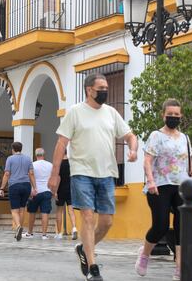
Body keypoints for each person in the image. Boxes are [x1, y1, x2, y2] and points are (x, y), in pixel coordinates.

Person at [48, 73, 138, 281]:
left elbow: (130, 135)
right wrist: (55, 175)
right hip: (81, 173)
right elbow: (61, 143)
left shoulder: (111, 113)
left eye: (107, 88)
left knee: (106, 222)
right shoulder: (75, 113)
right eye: (101, 88)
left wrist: (133, 150)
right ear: (89, 90)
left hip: (106, 173)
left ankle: (83, 248)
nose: (105, 91)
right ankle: (92, 267)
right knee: (87, 218)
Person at [135, 98, 192, 281]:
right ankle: (144, 254)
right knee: (160, 226)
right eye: (170, 114)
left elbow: (190, 164)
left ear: (181, 116)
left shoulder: (185, 138)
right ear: (163, 115)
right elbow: (147, 161)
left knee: (181, 229)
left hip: (182, 188)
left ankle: (179, 268)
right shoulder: (156, 136)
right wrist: (151, 181)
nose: (173, 117)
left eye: (176, 115)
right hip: (160, 186)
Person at [0, 142, 37, 241]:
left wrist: (2, 188)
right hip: (26, 185)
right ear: (21, 149)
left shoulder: (10, 159)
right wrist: (34, 187)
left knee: (14, 210)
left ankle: (18, 227)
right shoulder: (28, 159)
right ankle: (19, 230)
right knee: (22, 209)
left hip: (14, 186)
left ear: (13, 149)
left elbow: (7, 174)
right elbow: (31, 173)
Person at [24, 148, 53, 240]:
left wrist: (31, 190)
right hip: (47, 191)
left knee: (32, 212)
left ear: (36, 155)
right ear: (44, 155)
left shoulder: (32, 165)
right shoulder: (50, 165)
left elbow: (29, 177)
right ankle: (44, 234)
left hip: (35, 191)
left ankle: (30, 233)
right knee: (45, 213)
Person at [54, 150, 78, 240]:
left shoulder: (58, 164)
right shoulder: (71, 163)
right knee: (71, 210)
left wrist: (55, 191)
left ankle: (59, 233)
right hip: (70, 189)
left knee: (59, 211)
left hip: (61, 189)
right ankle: (74, 228)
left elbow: (58, 178)